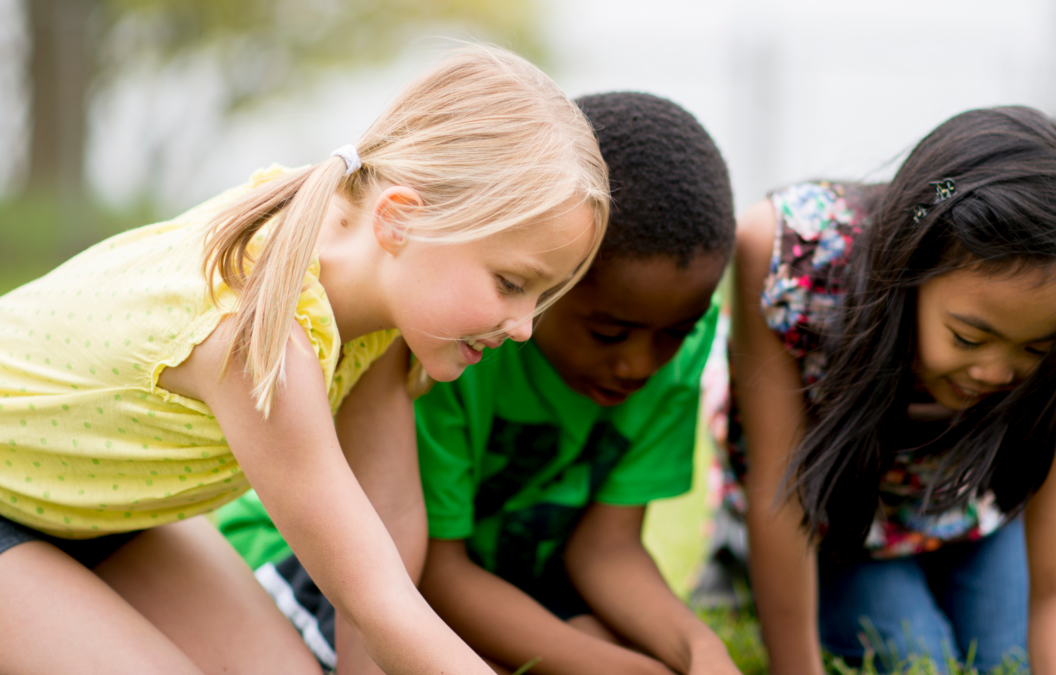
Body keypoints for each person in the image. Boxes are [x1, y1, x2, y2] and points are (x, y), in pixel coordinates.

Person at [0, 45, 609, 675]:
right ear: (400, 220)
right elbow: (374, 600)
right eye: (512, 283)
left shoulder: (372, 292)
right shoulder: (258, 329)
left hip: (102, 510)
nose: (524, 327)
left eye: (542, 296)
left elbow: (387, 521)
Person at [219, 92, 741, 674]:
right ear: (554, 279)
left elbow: (607, 548)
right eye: (608, 331)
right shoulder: (458, 342)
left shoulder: (678, 345)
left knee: (617, 643)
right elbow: (423, 573)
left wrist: (701, 650)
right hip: (333, 573)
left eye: (675, 333)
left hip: (501, 581)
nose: (640, 364)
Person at [723, 106, 1056, 674]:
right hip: (837, 526)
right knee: (919, 661)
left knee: (1007, 660)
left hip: (971, 518)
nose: (993, 373)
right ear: (909, 267)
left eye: (1035, 351)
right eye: (968, 337)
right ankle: (730, 561)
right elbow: (781, 492)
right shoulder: (790, 257)